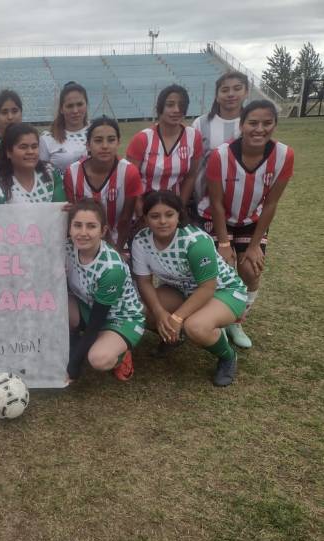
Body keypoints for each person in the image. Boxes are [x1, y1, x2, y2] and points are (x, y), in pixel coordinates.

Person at [197, 100, 293, 349]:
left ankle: (236, 320)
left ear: (274, 125)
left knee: (250, 269)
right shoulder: (221, 154)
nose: (259, 129)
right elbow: (216, 202)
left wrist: (253, 246)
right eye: (253, 123)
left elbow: (271, 204)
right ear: (241, 125)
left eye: (267, 123)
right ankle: (216, 315)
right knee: (223, 268)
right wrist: (224, 243)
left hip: (252, 220)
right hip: (216, 217)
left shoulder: (284, 154)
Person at [132, 191, 248, 386]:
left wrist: (176, 317)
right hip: (183, 291)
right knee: (137, 309)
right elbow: (144, 282)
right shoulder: (141, 240)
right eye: (154, 216)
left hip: (223, 290)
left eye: (169, 214)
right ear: (145, 218)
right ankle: (173, 339)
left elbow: (207, 288)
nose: (162, 221)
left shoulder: (195, 241)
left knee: (194, 326)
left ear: (179, 215)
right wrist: (160, 313)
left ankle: (227, 356)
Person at [65, 199, 145, 382]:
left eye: (91, 226)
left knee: (98, 359)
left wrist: (73, 368)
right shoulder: (67, 248)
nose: (83, 233)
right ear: (69, 228)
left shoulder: (111, 268)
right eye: (77, 225)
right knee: (52, 303)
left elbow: (95, 323)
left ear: (103, 231)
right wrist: (55, 212)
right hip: (88, 306)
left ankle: (121, 353)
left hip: (121, 318)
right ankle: (78, 343)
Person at [63, 116, 143, 251]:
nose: (105, 146)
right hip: (82, 239)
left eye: (111, 140)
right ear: (88, 145)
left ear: (118, 143)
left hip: (118, 240)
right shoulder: (72, 172)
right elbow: (74, 215)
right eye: (98, 140)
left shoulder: (129, 172)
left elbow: (125, 219)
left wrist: (116, 251)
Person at [126, 84, 202, 208]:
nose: (176, 110)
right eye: (170, 105)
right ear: (160, 108)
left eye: (181, 105)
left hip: (174, 208)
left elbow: (190, 177)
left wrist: (180, 209)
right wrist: (142, 213)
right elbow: (131, 181)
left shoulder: (194, 137)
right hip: (145, 207)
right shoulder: (142, 139)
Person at [191, 72, 249, 206]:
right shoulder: (200, 123)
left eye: (237, 88)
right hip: (204, 202)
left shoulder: (253, 123)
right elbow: (193, 166)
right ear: (217, 96)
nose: (231, 94)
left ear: (246, 92)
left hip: (242, 202)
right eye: (225, 90)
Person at [0, 123, 66, 204]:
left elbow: (60, 210)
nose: (30, 152)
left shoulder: (51, 174)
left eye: (34, 146)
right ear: (8, 152)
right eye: (23, 147)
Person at [40, 82, 89, 172]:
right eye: (70, 106)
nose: (75, 110)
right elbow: (42, 175)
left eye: (79, 104)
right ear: (61, 109)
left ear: (86, 105)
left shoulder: (97, 132)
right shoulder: (47, 139)